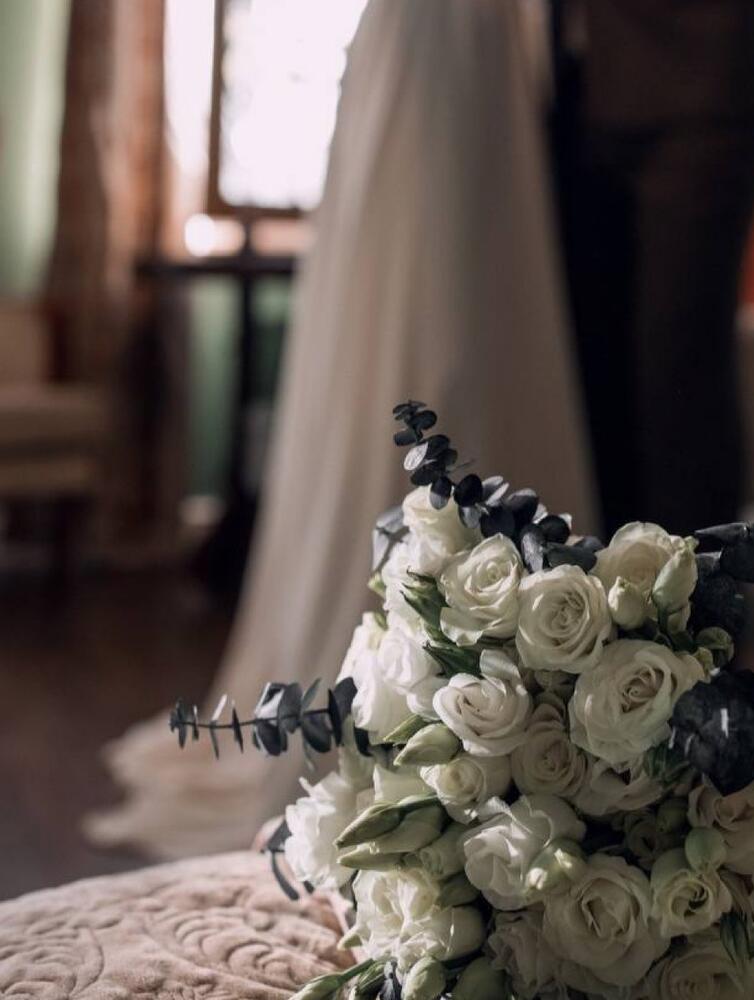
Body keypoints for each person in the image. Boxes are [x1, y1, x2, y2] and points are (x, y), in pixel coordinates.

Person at [87, 0, 597, 858]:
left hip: (475, 54)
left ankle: (518, 676)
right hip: (444, 47)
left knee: (469, 326)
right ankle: (422, 680)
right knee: (440, 322)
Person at [552, 0, 754, 535]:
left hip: (698, 68)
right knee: (590, 375)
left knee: (679, 366)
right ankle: (610, 581)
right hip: (567, 87)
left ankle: (696, 582)